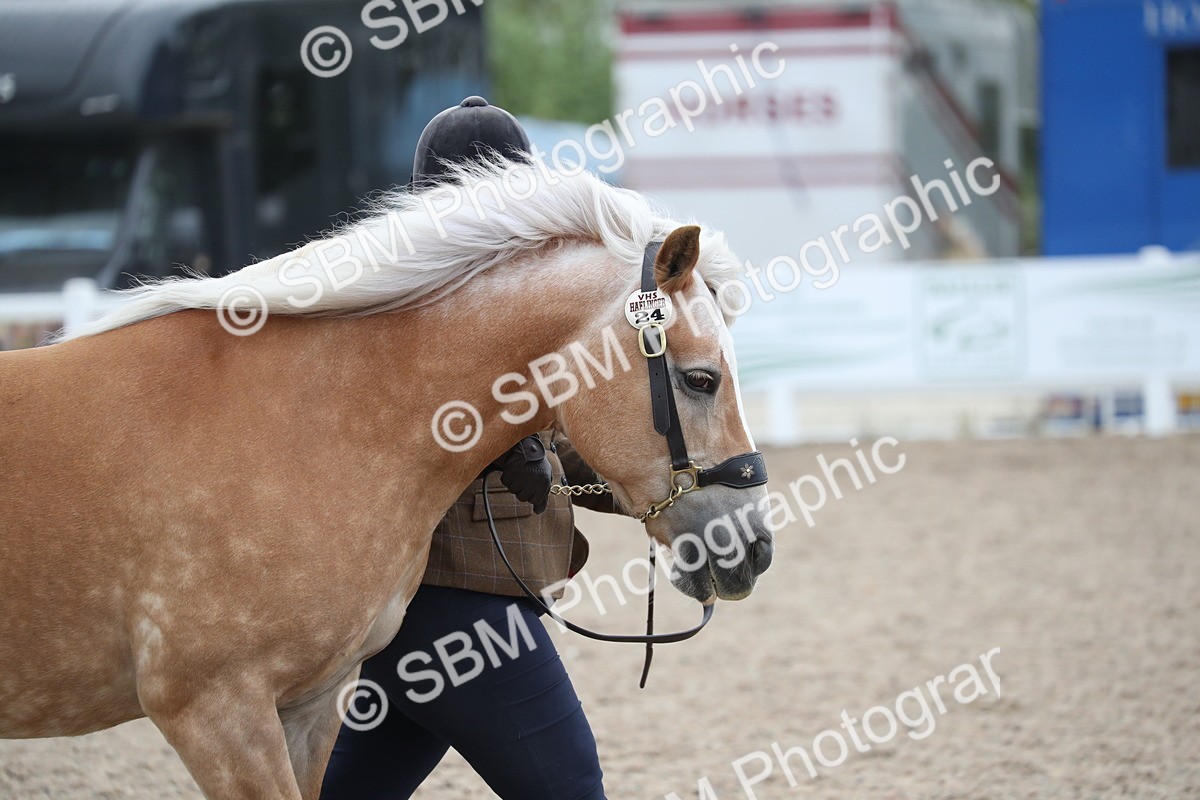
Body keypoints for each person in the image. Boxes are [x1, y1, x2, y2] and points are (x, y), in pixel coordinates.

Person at [320, 96, 617, 800]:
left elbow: (558, 446)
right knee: (569, 787)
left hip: (408, 611)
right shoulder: (406, 300)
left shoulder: (514, 299)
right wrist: (489, 440)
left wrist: (659, 494)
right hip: (461, 602)